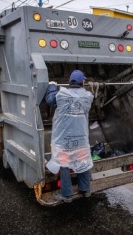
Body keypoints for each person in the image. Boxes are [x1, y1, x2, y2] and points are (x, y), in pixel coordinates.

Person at [45, 70, 94, 202]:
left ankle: (67, 195)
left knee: (64, 164)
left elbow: (50, 100)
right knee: (82, 161)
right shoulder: (88, 96)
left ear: (70, 82)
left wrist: (51, 86)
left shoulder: (61, 95)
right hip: (81, 139)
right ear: (82, 82)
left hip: (63, 140)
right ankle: (85, 189)